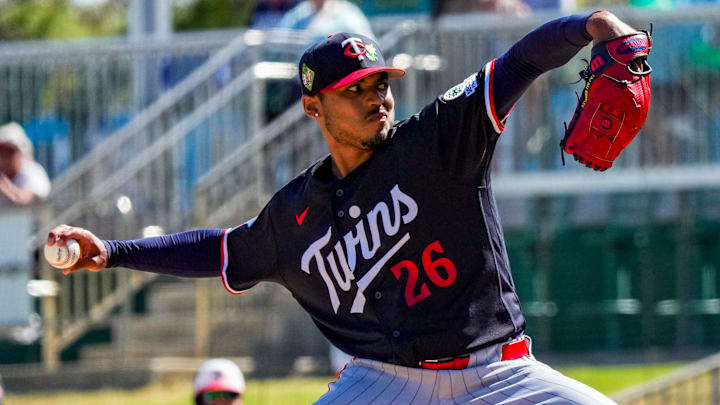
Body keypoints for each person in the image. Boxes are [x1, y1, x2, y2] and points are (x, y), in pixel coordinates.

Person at [48, 11, 640, 404]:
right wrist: (113, 253)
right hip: (383, 382)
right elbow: (225, 249)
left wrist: (591, 25)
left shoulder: (437, 140)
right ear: (314, 108)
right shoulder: (294, 215)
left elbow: (519, 62)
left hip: (499, 373)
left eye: (378, 84)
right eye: (352, 90)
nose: (374, 99)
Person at [0, 122, 51, 207]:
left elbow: (25, 199)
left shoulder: (33, 172)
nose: (6, 158)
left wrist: (6, 189)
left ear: (21, 153)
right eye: (2, 152)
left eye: (10, 152)